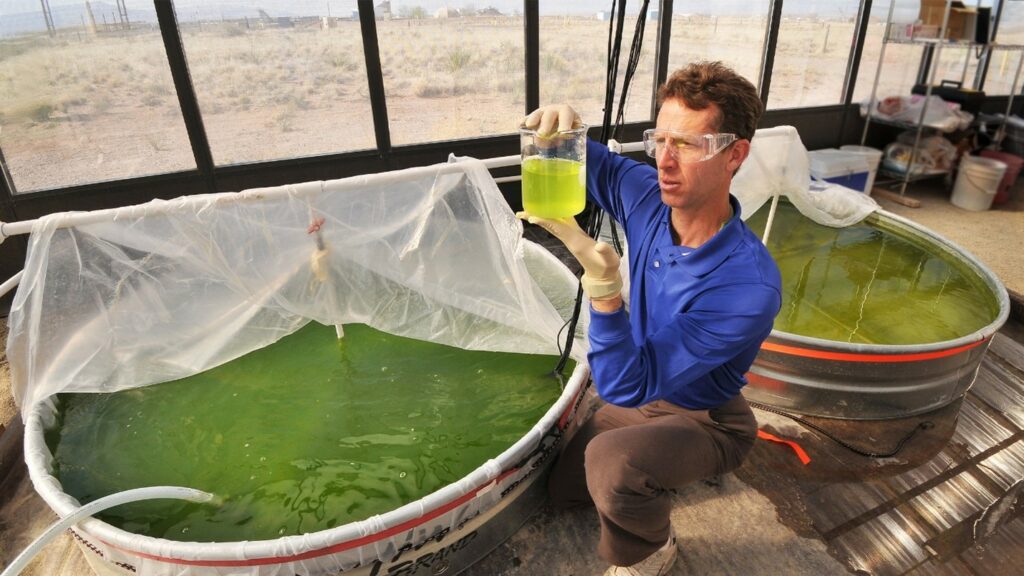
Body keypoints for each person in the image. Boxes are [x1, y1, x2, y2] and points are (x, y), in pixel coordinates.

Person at [517, 61, 782, 576]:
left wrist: (605, 292)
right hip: (650, 387)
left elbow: (620, 384)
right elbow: (592, 164)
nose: (665, 161)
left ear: (736, 155)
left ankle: (652, 551)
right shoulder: (649, 199)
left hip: (706, 415)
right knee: (565, 490)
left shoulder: (748, 286)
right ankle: (662, 463)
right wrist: (562, 132)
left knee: (612, 467)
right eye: (659, 139)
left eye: (687, 144)